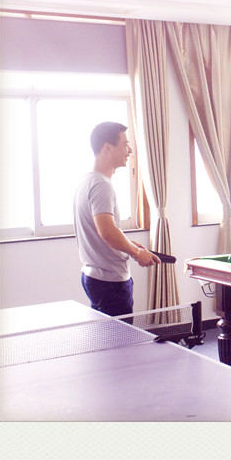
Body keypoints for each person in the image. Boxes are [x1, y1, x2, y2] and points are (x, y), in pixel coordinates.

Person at [73, 121, 159, 316]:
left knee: (106, 334)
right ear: (107, 148)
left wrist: (129, 244)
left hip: (94, 277)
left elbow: (101, 230)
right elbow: (107, 233)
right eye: (125, 144)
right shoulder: (101, 185)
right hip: (110, 282)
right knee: (121, 336)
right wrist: (137, 253)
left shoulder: (86, 181)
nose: (130, 150)